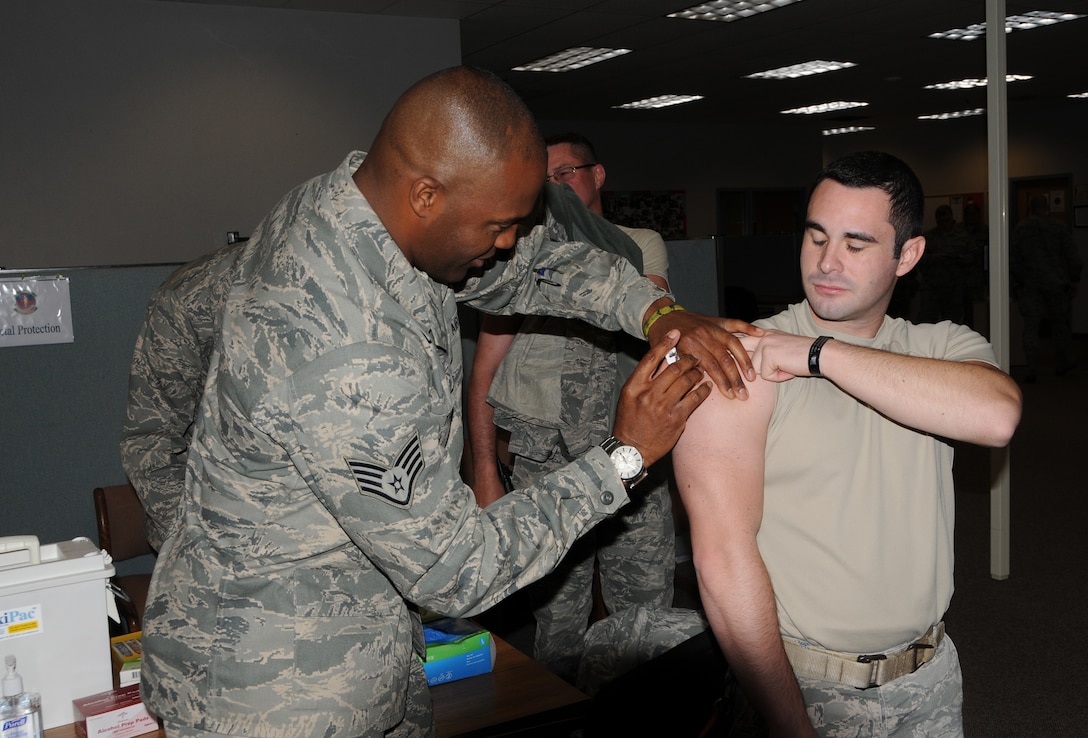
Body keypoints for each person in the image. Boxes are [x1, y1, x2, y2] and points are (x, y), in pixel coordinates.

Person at [139, 65, 757, 738]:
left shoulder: (365, 208)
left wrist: (651, 309)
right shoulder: (341, 349)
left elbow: (530, 267)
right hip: (277, 692)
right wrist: (625, 457)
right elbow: (457, 569)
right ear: (426, 195)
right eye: (497, 225)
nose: (506, 245)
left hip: (368, 645)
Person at [672, 151, 1022, 737]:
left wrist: (818, 353)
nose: (827, 263)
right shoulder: (742, 362)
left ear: (906, 255)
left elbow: (997, 417)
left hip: (930, 674)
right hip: (806, 686)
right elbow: (721, 561)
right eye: (816, 238)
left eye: (856, 245)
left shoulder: (940, 345)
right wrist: (788, 723)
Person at [466, 132, 681, 683]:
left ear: (598, 174)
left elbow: (635, 299)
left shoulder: (636, 244)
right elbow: (484, 376)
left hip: (635, 457)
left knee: (645, 621)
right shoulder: (516, 261)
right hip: (550, 465)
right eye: (547, 178)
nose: (557, 185)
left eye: (567, 172)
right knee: (557, 626)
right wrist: (485, 475)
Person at [120, 241, 244, 551]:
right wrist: (194, 546)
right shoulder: (195, 293)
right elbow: (151, 441)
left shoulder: (366, 279)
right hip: (222, 527)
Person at [1011, 194, 1082, 381]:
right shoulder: (1059, 226)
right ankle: (1062, 362)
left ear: (1031, 207)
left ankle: (1031, 368)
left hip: (1030, 283)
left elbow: (1013, 258)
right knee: (1060, 324)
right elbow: (1073, 255)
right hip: (1056, 283)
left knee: (1031, 325)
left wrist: (1019, 281)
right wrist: (1075, 278)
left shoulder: (1021, 228)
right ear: (1047, 207)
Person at [916, 204, 977, 325]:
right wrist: (934, 258)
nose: (944, 223)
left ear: (952, 218)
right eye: (941, 220)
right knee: (927, 325)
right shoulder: (928, 237)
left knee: (953, 325)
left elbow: (974, 256)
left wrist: (960, 259)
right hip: (932, 290)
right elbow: (918, 259)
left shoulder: (963, 236)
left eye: (947, 220)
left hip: (955, 289)